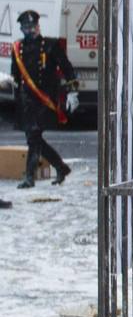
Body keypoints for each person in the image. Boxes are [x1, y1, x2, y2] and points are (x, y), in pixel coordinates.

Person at [7, 11, 78, 188]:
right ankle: (61, 168)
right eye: (27, 28)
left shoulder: (50, 46)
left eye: (33, 27)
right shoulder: (18, 48)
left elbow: (67, 69)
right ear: (22, 29)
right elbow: (15, 75)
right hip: (27, 100)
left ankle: (29, 177)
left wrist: (72, 92)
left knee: (33, 136)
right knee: (34, 137)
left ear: (38, 26)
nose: (31, 31)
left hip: (44, 98)